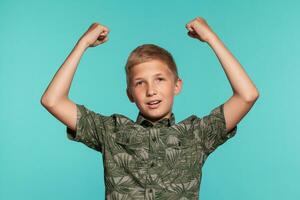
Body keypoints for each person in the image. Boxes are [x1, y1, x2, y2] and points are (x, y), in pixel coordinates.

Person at [41, 17, 259, 200]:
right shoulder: (110, 131)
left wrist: (212, 39)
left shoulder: (197, 134)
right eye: (139, 83)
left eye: (160, 79)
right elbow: (53, 100)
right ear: (130, 94)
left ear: (177, 86)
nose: (151, 90)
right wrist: (82, 44)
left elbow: (247, 95)